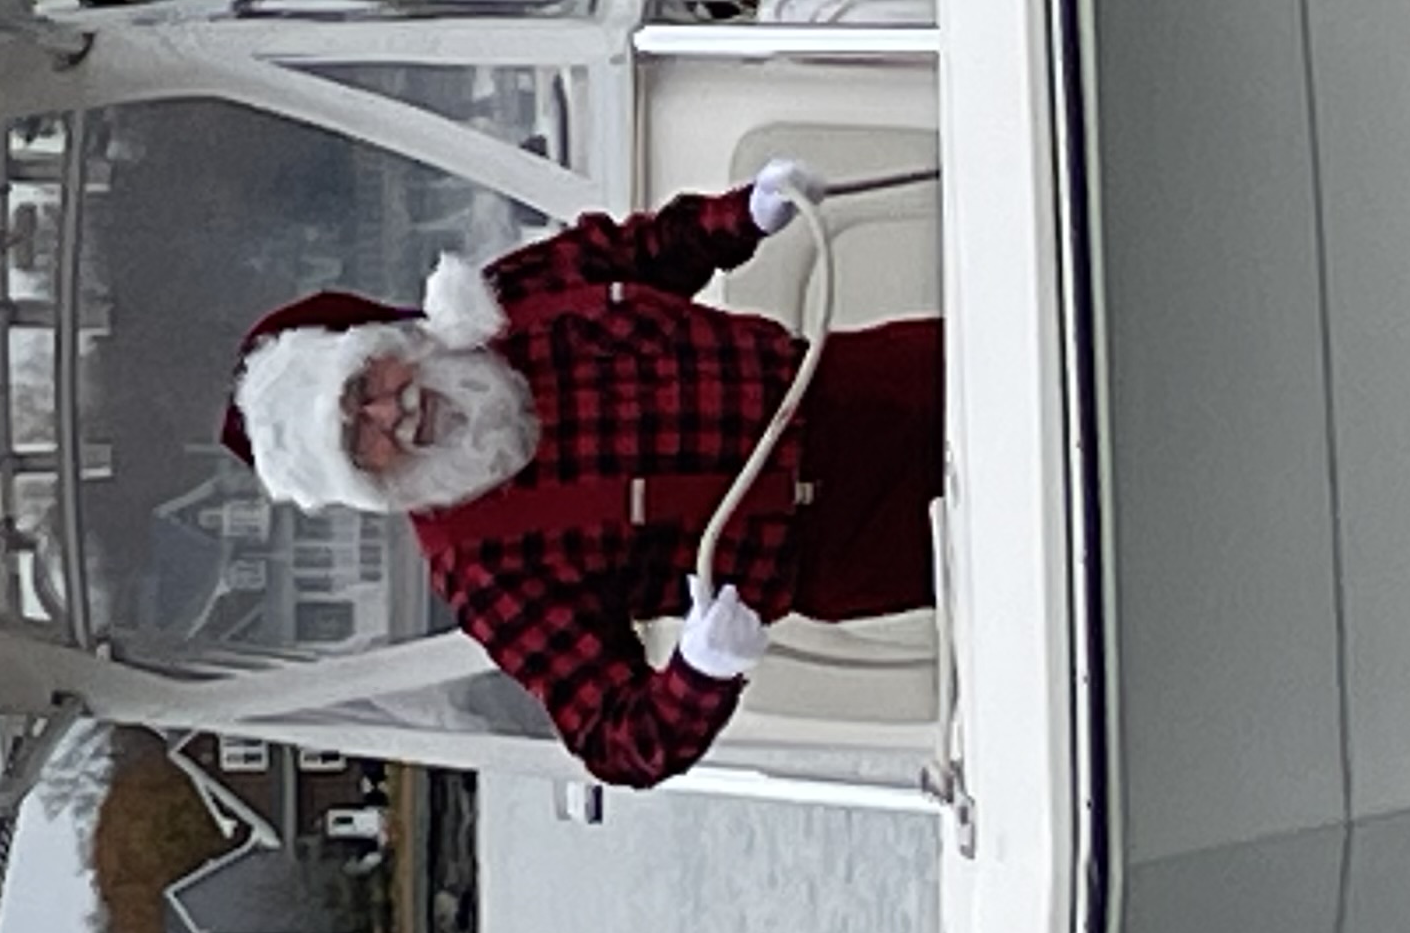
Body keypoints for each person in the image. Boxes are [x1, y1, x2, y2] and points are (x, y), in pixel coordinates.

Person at [223, 163, 943, 787]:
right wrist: (699, 672)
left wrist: (745, 212)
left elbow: (646, 251)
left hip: (862, 377)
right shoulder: (483, 570)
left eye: (364, 386)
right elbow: (618, 741)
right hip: (853, 540)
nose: (391, 412)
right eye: (358, 437)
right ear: (363, 483)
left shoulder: (504, 301)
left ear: (382, 345)